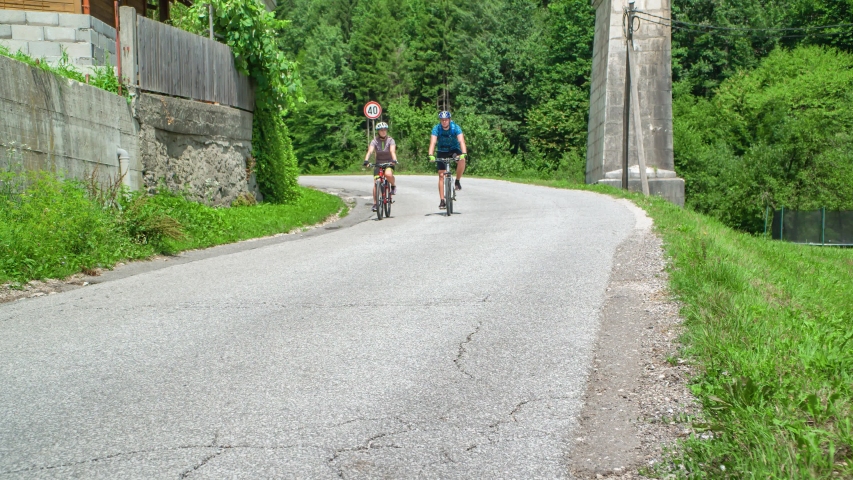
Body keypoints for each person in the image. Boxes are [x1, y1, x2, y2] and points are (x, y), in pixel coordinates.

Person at [428, 111, 467, 209]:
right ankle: (442, 201)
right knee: (441, 175)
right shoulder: (437, 128)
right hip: (442, 150)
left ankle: (457, 181)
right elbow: (433, 142)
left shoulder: (455, 127)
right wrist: (430, 155)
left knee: (462, 161)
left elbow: (461, 140)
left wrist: (464, 153)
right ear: (440, 121)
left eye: (446, 120)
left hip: (454, 149)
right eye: (442, 120)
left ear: (449, 120)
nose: (444, 122)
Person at [363, 122, 398, 212]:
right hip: (378, 163)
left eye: (385, 130)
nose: (383, 132)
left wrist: (394, 160)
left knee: (388, 174)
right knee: (376, 182)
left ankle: (393, 186)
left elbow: (392, 151)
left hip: (389, 163)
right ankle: (375, 204)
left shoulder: (391, 140)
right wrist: (366, 160)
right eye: (381, 130)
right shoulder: (374, 141)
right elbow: (370, 151)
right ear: (378, 131)